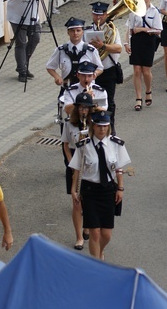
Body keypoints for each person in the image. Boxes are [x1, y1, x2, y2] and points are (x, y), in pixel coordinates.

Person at [69, 110, 130, 260]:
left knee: (106, 234)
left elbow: (119, 169)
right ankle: (96, 263)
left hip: (108, 190)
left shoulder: (116, 144)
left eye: (105, 126)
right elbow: (77, 169)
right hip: (90, 190)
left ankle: (100, 251)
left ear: (108, 126)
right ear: (93, 126)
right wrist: (73, 190)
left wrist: (120, 188)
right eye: (98, 126)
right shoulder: (84, 145)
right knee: (94, 232)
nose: (102, 129)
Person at [7, 0, 50, 82]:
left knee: (35, 39)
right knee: (21, 43)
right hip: (17, 16)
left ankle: (23, 64)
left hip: (32, 15)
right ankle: (22, 71)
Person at [61, 92, 94, 250]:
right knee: (76, 202)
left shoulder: (94, 123)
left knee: (88, 199)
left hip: (90, 161)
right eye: (81, 107)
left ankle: (87, 227)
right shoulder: (69, 123)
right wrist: (70, 163)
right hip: (75, 160)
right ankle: (79, 237)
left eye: (87, 108)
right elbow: (66, 145)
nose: (84, 111)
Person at [125, 0, 162, 110]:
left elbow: (158, 30)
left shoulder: (154, 11)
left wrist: (143, 29)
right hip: (136, 41)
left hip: (149, 41)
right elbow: (129, 28)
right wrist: (126, 43)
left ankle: (148, 90)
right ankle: (138, 98)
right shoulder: (133, 11)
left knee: (146, 71)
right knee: (136, 70)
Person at [87, 2, 122, 132]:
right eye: (95, 15)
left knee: (109, 103)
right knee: (91, 102)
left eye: (100, 15)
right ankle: (93, 129)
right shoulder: (87, 31)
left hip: (108, 72)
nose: (98, 18)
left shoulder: (112, 29)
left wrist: (103, 46)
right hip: (92, 72)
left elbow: (118, 49)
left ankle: (110, 129)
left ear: (106, 15)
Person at [46, 17, 104, 93]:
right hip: (67, 89)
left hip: (86, 89)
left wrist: (93, 75)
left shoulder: (91, 50)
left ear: (82, 32)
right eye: (72, 31)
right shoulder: (61, 50)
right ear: (68, 32)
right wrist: (57, 77)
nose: (75, 33)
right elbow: (50, 66)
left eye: (78, 30)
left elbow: (100, 68)